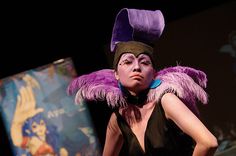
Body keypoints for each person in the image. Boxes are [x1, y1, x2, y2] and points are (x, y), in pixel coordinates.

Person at [67, 8, 218, 156]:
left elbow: (208, 142)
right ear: (116, 74)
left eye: (144, 62)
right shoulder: (118, 119)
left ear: (153, 73)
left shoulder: (166, 101)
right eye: (127, 62)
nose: (137, 67)